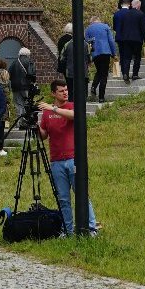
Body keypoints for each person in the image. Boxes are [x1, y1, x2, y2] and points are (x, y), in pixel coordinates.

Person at [37, 79, 96, 236]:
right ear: (53, 93)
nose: (65, 92)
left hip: (73, 158)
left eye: (66, 90)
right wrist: (35, 126)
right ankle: (68, 230)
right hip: (56, 161)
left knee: (81, 194)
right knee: (63, 199)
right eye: (61, 91)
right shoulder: (47, 113)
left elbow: (74, 116)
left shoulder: (70, 106)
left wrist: (54, 108)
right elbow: (43, 135)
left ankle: (90, 227)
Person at [112, 0, 145, 82]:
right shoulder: (140, 14)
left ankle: (125, 74)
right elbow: (143, 28)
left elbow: (121, 27)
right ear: (138, 5)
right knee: (137, 57)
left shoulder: (126, 14)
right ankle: (135, 74)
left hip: (126, 39)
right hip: (137, 39)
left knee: (127, 57)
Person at [84, 15, 114, 103]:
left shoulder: (88, 29)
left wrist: (89, 56)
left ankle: (93, 86)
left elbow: (86, 42)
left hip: (95, 53)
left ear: (92, 22)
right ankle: (101, 97)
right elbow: (111, 41)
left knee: (99, 71)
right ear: (99, 20)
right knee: (104, 74)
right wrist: (114, 53)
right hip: (106, 52)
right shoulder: (105, 27)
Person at [8, 47, 38, 128]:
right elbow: (32, 74)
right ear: (28, 54)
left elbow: (9, 74)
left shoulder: (14, 63)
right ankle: (26, 122)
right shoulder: (29, 62)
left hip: (15, 87)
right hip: (26, 86)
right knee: (27, 104)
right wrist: (33, 82)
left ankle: (19, 122)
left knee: (18, 104)